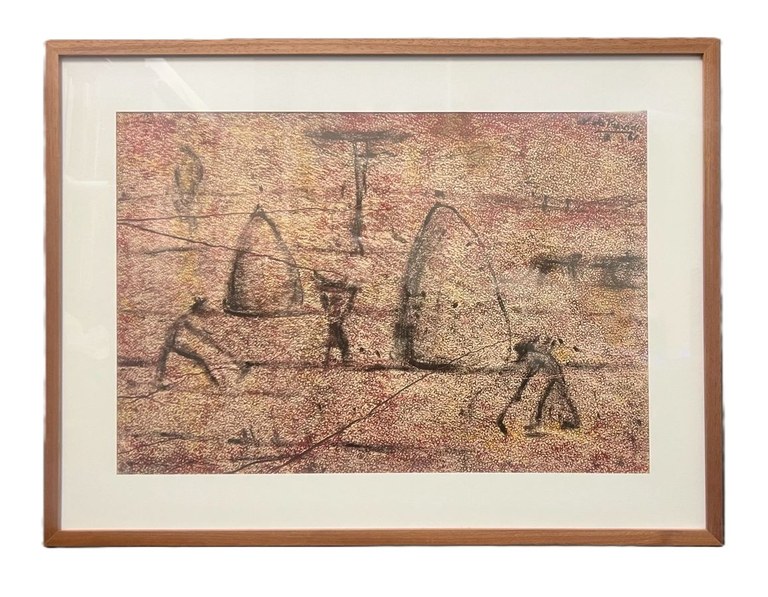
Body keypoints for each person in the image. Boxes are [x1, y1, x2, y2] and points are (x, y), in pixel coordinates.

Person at [497, 336, 580, 435]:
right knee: (555, 399)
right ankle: (569, 421)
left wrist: (520, 388)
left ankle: (542, 423)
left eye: (517, 352)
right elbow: (531, 372)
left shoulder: (531, 356)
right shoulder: (535, 355)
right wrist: (521, 388)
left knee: (547, 400)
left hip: (553, 377)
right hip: (554, 376)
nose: (517, 355)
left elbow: (530, 373)